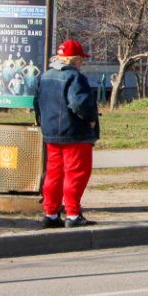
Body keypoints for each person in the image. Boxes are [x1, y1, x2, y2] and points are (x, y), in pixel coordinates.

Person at [33, 40, 99, 228]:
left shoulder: (45, 76)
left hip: (51, 134)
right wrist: (91, 119)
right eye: (80, 59)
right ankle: (72, 214)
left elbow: (37, 102)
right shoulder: (74, 77)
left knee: (53, 173)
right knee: (76, 173)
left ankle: (51, 213)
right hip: (75, 134)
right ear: (74, 59)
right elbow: (79, 104)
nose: (81, 63)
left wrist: (44, 123)